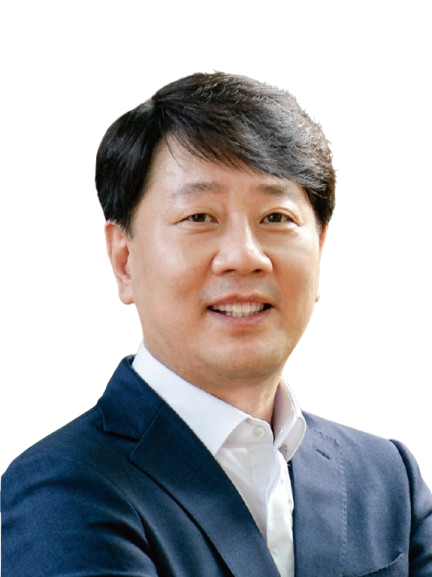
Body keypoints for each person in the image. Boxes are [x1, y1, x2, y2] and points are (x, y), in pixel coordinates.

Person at [2, 71, 431, 577]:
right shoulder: (61, 489)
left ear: (319, 250)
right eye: (199, 217)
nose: (244, 257)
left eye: (276, 217)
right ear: (124, 260)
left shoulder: (387, 478)